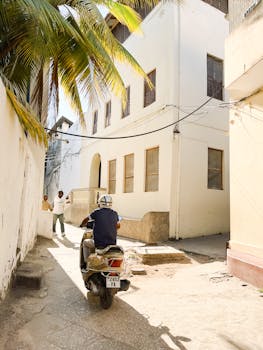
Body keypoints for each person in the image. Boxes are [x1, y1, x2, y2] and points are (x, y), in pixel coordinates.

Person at [80, 194, 120, 270]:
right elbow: (118, 226)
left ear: (100, 203)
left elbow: (86, 219)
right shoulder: (115, 213)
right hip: (112, 245)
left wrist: (81, 225)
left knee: (85, 243)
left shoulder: (97, 212)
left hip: (100, 244)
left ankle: (86, 264)